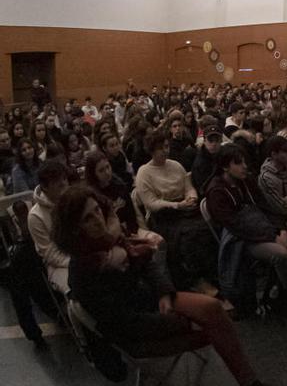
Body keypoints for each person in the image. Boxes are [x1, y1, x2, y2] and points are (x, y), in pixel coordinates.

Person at [52, 185, 268, 386]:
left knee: (212, 310)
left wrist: (164, 292)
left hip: (151, 304)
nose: (98, 220)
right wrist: (179, 322)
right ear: (74, 229)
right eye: (87, 218)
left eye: (97, 210)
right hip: (137, 335)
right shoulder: (84, 272)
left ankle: (250, 382)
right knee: (214, 329)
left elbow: (148, 266)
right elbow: (124, 323)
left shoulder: (109, 241)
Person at [205, 145, 287, 319]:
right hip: (242, 239)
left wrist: (281, 230)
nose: (245, 166)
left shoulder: (246, 180)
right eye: (238, 163)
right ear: (225, 167)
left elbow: (267, 208)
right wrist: (272, 236)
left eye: (244, 162)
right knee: (281, 254)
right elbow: (236, 226)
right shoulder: (216, 192)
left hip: (264, 226)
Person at [135, 131, 215, 290]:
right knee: (189, 236)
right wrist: (177, 205)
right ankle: (192, 279)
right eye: (160, 148)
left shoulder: (176, 165)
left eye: (166, 146)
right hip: (163, 215)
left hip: (183, 209)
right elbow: (151, 203)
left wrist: (191, 197)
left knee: (207, 228)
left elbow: (188, 187)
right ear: (151, 151)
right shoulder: (144, 172)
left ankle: (210, 273)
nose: (165, 150)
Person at [1, 200, 58, 349]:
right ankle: (38, 329)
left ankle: (37, 330)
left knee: (24, 285)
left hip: (29, 251)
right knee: (25, 283)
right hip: (25, 254)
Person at [27, 161, 71, 293]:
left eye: (64, 178)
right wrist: (77, 263)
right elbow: (51, 254)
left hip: (82, 253)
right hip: (59, 264)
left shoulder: (72, 199)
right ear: (45, 187)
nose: (64, 183)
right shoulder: (35, 216)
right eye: (57, 181)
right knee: (76, 289)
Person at [191, 124, 223, 196]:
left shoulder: (224, 154)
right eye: (210, 140)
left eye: (217, 140)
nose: (214, 144)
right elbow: (203, 188)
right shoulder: (200, 163)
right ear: (205, 141)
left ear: (221, 141)